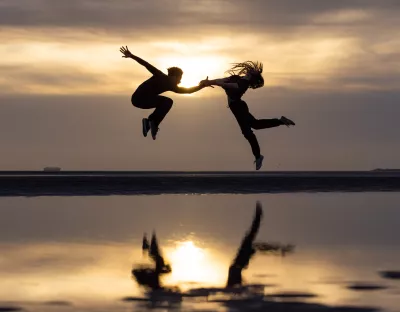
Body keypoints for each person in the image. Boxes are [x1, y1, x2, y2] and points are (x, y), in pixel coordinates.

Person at [200, 61, 295, 170]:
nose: (250, 70)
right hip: (238, 107)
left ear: (252, 77)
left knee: (248, 132)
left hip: (238, 107)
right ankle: (280, 122)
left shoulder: (243, 84)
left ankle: (259, 156)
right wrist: (208, 82)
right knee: (255, 125)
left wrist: (218, 83)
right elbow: (222, 81)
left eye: (252, 72)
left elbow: (231, 86)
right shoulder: (237, 78)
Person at [120, 46, 207, 140]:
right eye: (180, 78)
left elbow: (188, 91)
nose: (180, 81)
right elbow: (146, 64)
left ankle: (149, 122)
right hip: (138, 97)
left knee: (167, 102)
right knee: (167, 101)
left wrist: (201, 86)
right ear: (175, 76)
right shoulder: (160, 75)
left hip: (141, 100)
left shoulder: (172, 86)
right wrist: (131, 55)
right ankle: (152, 121)